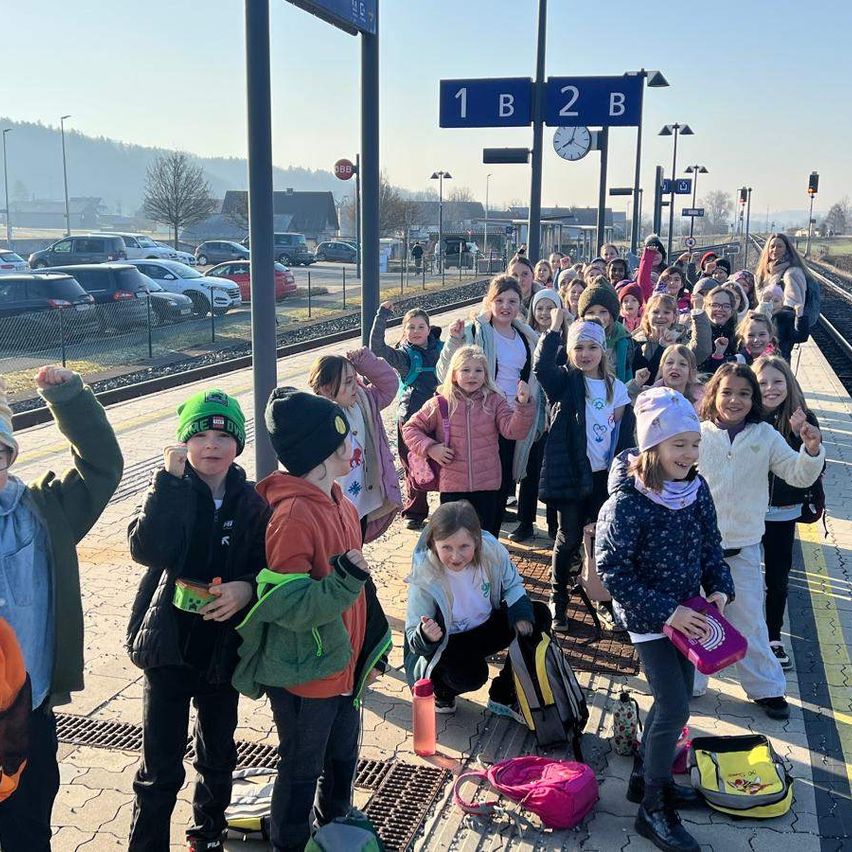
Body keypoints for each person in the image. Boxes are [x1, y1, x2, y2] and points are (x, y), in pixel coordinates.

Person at [233, 389, 391, 852]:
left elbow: (358, 584)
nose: (352, 449)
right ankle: (291, 840)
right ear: (318, 457)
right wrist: (346, 579)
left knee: (342, 753)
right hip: (306, 673)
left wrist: (370, 647)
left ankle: (335, 822)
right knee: (302, 766)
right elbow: (289, 603)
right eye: (342, 442)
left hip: (341, 665)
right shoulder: (294, 515)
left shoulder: (338, 498)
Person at [127, 389, 270, 851]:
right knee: (160, 765)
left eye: (223, 435)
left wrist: (245, 588)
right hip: (168, 647)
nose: (212, 445)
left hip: (222, 650)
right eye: (201, 434)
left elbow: (268, 564)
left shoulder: (250, 501)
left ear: (238, 446)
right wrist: (167, 482)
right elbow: (145, 548)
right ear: (184, 442)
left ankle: (206, 834)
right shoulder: (169, 487)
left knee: (218, 754)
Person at [596, 387, 734, 852]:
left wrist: (718, 587)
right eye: (679, 444)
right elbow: (612, 570)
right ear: (652, 446)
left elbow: (711, 543)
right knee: (674, 704)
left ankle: (644, 775)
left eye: (694, 443)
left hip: (690, 614)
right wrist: (667, 610)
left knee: (672, 701)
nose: (691, 453)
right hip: (650, 618)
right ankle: (652, 808)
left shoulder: (696, 489)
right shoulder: (627, 501)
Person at [0, 367, 122, 851]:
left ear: (8, 455)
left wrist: (68, 399)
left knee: (29, 830)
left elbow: (101, 467)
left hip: (28, 714)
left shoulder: (44, 511)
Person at [694, 363, 824, 718]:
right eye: (727, 393)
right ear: (714, 395)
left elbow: (797, 474)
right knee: (695, 616)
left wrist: (810, 449)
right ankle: (689, 683)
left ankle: (765, 688)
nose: (735, 400)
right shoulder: (698, 433)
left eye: (744, 394)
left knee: (750, 619)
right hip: (696, 549)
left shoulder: (765, 435)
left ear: (754, 399)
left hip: (743, 548)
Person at [403, 500, 552, 717]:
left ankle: (504, 692)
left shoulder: (491, 550)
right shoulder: (425, 575)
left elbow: (512, 584)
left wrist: (520, 614)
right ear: (434, 544)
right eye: (446, 547)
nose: (456, 556)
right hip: (448, 642)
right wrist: (426, 635)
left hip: (483, 627)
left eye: (464, 546)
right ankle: (442, 692)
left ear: (477, 541)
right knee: (473, 675)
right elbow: (413, 637)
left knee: (538, 614)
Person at [533, 316, 632, 631]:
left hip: (604, 476)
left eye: (592, 346)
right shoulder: (564, 381)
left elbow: (621, 437)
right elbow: (541, 368)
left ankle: (602, 596)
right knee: (570, 536)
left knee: (601, 538)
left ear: (603, 350)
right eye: (578, 347)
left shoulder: (616, 388)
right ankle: (558, 596)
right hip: (572, 473)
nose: (585, 353)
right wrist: (553, 329)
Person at [437, 275, 541, 535]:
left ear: (520, 304)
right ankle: (462, 543)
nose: (506, 306)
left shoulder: (526, 337)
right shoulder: (475, 330)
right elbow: (445, 371)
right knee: (476, 485)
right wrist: (454, 339)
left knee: (501, 483)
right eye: (500, 300)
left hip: (510, 416)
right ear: (490, 302)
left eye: (513, 301)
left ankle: (490, 544)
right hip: (479, 416)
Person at [404, 345, 534, 536]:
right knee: (455, 538)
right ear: (454, 374)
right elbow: (410, 428)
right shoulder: (441, 403)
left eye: (478, 370)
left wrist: (523, 406)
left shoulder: (495, 401)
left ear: (486, 375)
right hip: (453, 487)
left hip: (488, 486)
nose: (472, 375)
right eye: (465, 370)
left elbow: (513, 431)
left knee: (486, 540)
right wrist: (431, 448)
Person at [754, 355, 822, 671]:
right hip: (748, 513)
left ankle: (773, 636)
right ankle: (744, 632)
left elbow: (810, 465)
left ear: (789, 384)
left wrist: (801, 435)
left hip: (782, 513)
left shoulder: (802, 417)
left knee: (778, 578)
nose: (770, 388)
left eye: (777, 382)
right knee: (745, 577)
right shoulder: (746, 416)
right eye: (763, 382)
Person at [308, 349, 401, 543]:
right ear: (326, 389)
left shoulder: (363, 402)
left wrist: (363, 361)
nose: (355, 387)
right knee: (337, 550)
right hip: (334, 503)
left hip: (364, 500)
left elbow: (390, 384)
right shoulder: (317, 416)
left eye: (355, 379)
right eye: (348, 382)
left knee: (356, 546)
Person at [369, 301, 442, 530]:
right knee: (413, 462)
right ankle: (415, 510)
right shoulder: (404, 356)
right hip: (411, 417)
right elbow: (377, 348)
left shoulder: (442, 350)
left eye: (421, 327)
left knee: (444, 461)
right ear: (404, 332)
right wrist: (382, 315)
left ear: (429, 330)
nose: (416, 331)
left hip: (440, 414)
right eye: (411, 327)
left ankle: (449, 505)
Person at [513, 289, 567, 542]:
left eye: (550, 308)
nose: (545, 313)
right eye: (540, 308)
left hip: (557, 416)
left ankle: (555, 525)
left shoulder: (567, 341)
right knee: (529, 471)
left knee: (555, 472)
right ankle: (525, 521)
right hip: (532, 412)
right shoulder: (526, 338)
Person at [632, 293, 711, 386]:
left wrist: (698, 314)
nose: (660, 316)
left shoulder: (682, 340)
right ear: (647, 315)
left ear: (674, 317)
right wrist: (662, 348)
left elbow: (701, 351)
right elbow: (645, 377)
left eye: (666, 312)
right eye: (655, 312)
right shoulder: (635, 342)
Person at [576, 282, 634, 381]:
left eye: (603, 312)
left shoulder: (624, 340)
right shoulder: (576, 339)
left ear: (612, 314)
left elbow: (628, 375)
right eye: (591, 312)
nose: (598, 317)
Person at [755, 233, 808, 314]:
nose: (775, 249)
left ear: (787, 249)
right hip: (767, 321)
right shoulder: (768, 271)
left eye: (780, 246)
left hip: (780, 323)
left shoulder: (792, 273)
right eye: (772, 246)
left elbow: (792, 307)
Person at [698, 286, 740, 373]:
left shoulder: (738, 336)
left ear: (732, 310)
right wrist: (717, 354)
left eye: (726, 306)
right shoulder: (696, 333)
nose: (720, 309)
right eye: (714, 305)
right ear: (706, 307)